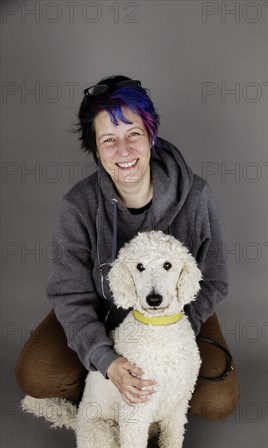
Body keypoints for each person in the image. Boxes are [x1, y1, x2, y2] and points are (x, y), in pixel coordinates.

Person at [15, 75, 240, 420]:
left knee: (216, 403)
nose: (123, 151)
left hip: (176, 315)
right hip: (102, 311)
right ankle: (106, 396)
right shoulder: (79, 205)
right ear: (95, 149)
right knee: (37, 376)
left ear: (151, 136)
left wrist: (174, 332)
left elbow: (213, 279)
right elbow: (70, 294)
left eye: (133, 134)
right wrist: (108, 360)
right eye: (109, 140)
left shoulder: (197, 197)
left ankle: (154, 405)